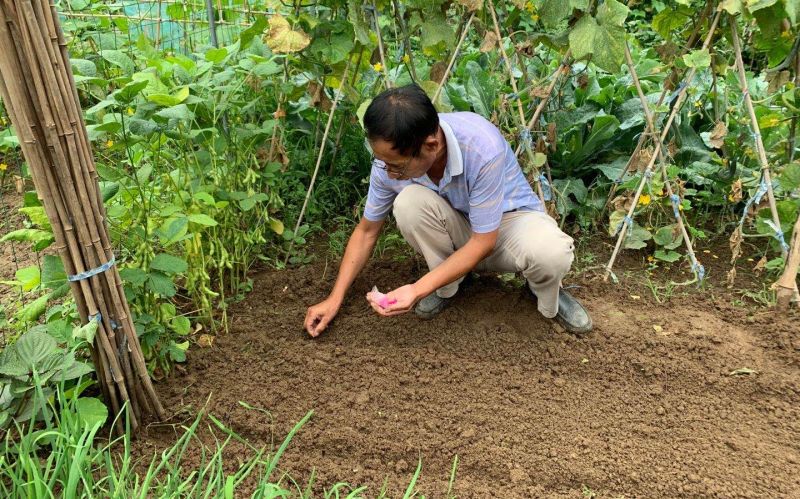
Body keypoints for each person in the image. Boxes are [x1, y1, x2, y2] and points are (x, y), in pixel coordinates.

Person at [304, 84, 592, 337]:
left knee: (550, 252)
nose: (388, 173)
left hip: (508, 226)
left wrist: (416, 289)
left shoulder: (481, 146)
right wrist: (334, 298)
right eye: (381, 161)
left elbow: (484, 241)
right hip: (461, 225)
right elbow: (367, 231)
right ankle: (451, 283)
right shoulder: (388, 161)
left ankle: (545, 292)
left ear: (430, 146)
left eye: (396, 165)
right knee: (408, 203)